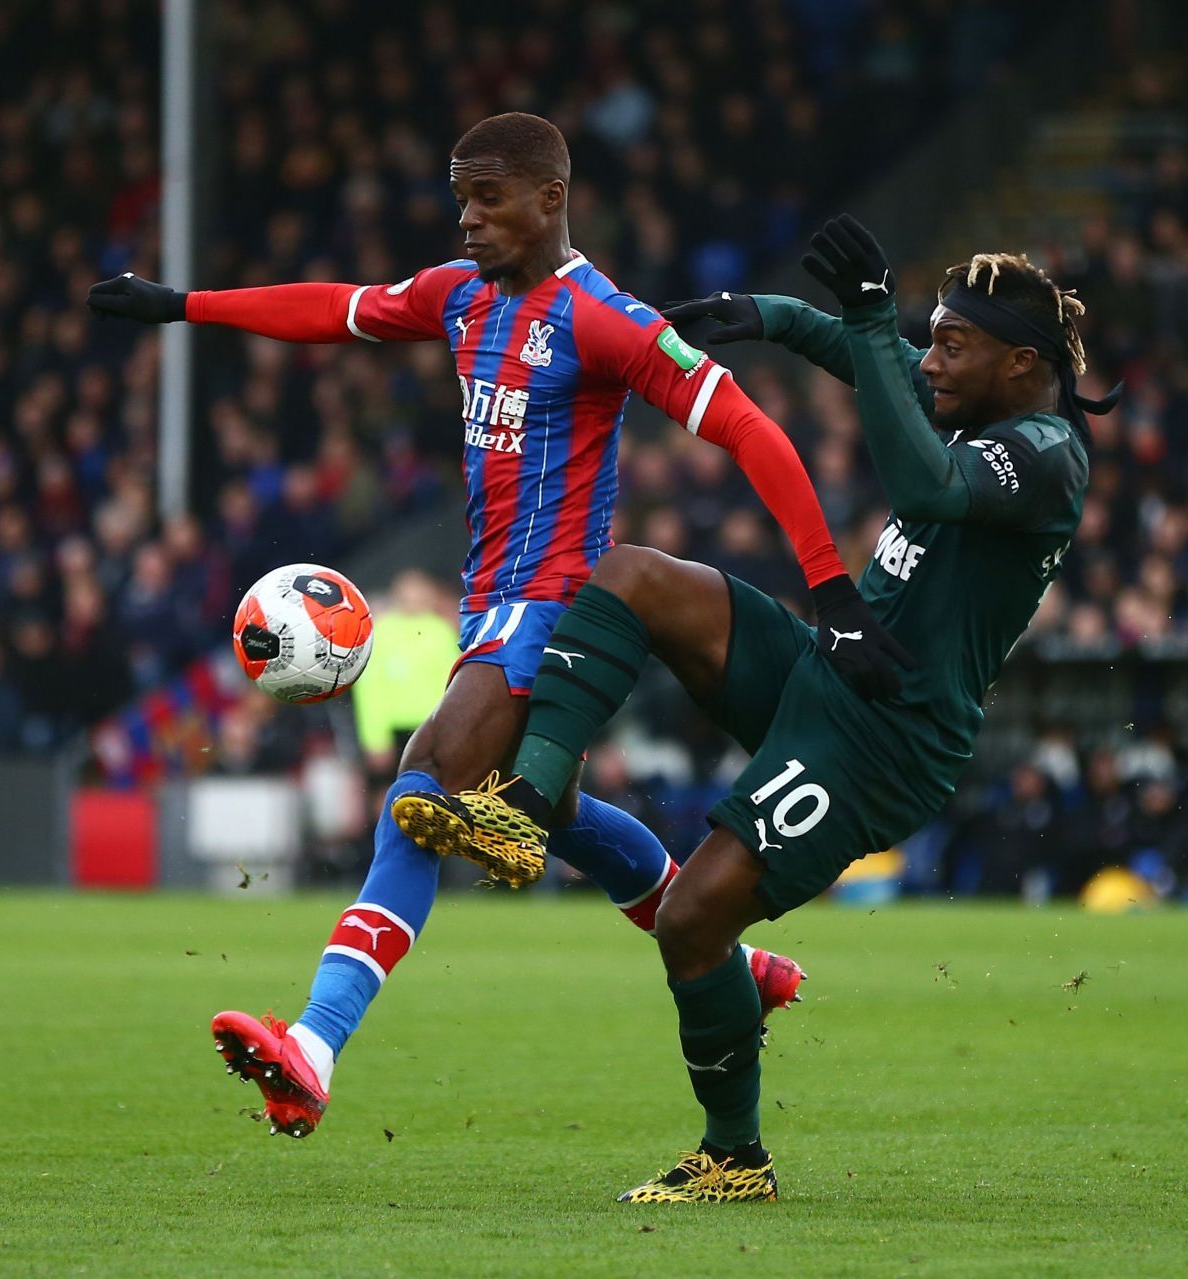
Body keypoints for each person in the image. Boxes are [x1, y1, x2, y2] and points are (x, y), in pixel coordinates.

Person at [87, 114, 906, 1137]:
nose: (467, 218)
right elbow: (333, 310)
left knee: (424, 785)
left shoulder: (605, 319)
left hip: (564, 612)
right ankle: (741, 966)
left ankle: (314, 1042)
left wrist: (831, 590)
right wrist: (183, 306)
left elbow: (747, 424)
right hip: (490, 605)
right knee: (553, 817)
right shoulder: (459, 297)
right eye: (460, 197)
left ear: (551, 198)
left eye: (488, 198)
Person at [394, 215, 1113, 1201]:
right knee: (635, 576)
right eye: (931, 338)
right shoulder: (982, 399)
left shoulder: (1045, 452)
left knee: (692, 920)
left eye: (954, 345)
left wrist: (866, 320)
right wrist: (762, 315)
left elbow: (926, 479)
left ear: (1022, 362)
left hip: (887, 740)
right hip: (834, 669)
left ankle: (735, 1158)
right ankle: (526, 807)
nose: (931, 361)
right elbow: (870, 359)